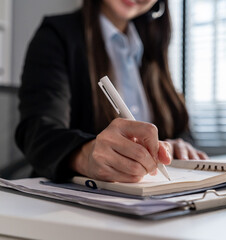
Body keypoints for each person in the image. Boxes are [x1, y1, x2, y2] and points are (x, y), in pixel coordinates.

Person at [15, 0, 207, 183]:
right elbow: (37, 131)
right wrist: (85, 155)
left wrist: (177, 146)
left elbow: (180, 124)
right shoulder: (57, 34)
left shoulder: (150, 45)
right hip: (71, 206)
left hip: (152, 201)